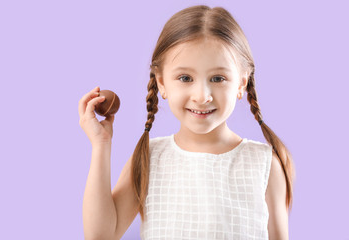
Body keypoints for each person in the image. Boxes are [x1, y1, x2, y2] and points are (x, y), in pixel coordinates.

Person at [79, 5, 295, 240]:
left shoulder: (264, 165)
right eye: (185, 78)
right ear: (161, 82)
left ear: (242, 84)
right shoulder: (148, 158)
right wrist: (101, 145)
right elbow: (100, 235)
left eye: (218, 78)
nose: (202, 96)